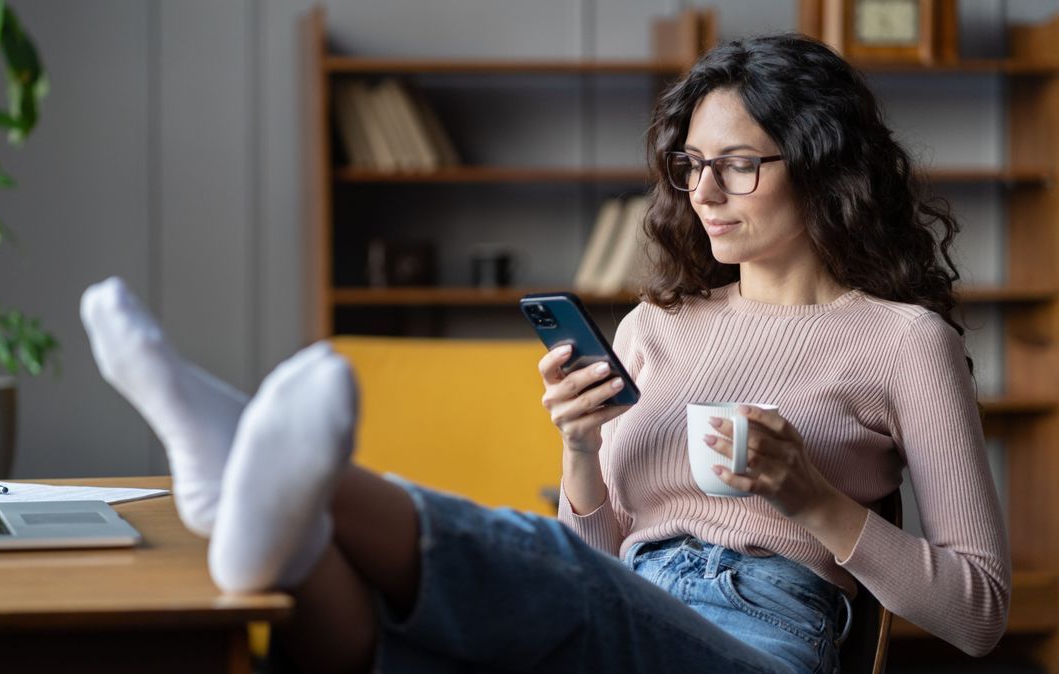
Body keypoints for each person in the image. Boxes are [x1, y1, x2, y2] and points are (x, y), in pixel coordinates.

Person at [80, 33, 1008, 674]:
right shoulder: (655, 326)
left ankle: (259, 474)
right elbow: (591, 557)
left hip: (757, 635)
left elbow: (977, 616)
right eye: (689, 166)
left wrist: (809, 495)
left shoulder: (901, 340)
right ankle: (259, 505)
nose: (705, 193)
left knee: (550, 578)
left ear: (821, 163)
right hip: (622, 596)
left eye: (741, 163)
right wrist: (578, 450)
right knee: (389, 636)